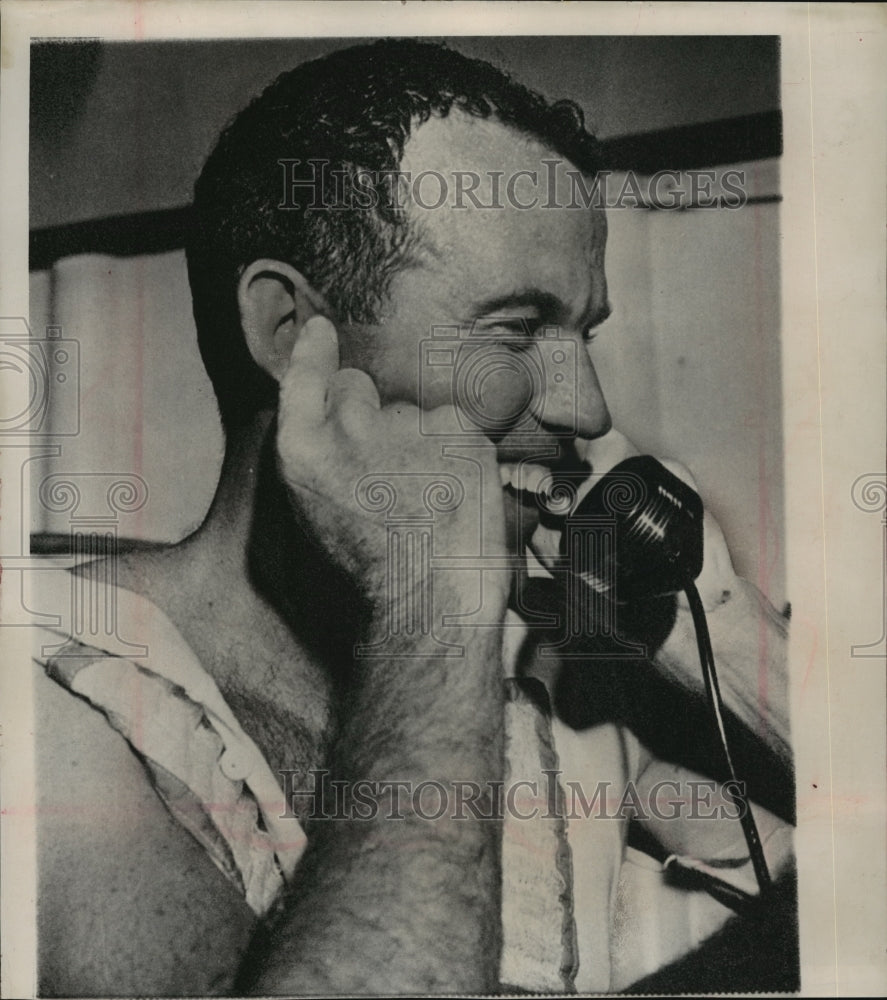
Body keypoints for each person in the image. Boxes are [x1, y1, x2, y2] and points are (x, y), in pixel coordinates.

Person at [33, 39, 794, 996]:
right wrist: (435, 606)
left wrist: (700, 609)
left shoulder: (557, 688)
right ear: (290, 336)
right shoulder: (54, 705)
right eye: (515, 330)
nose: (588, 411)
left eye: (583, 334)